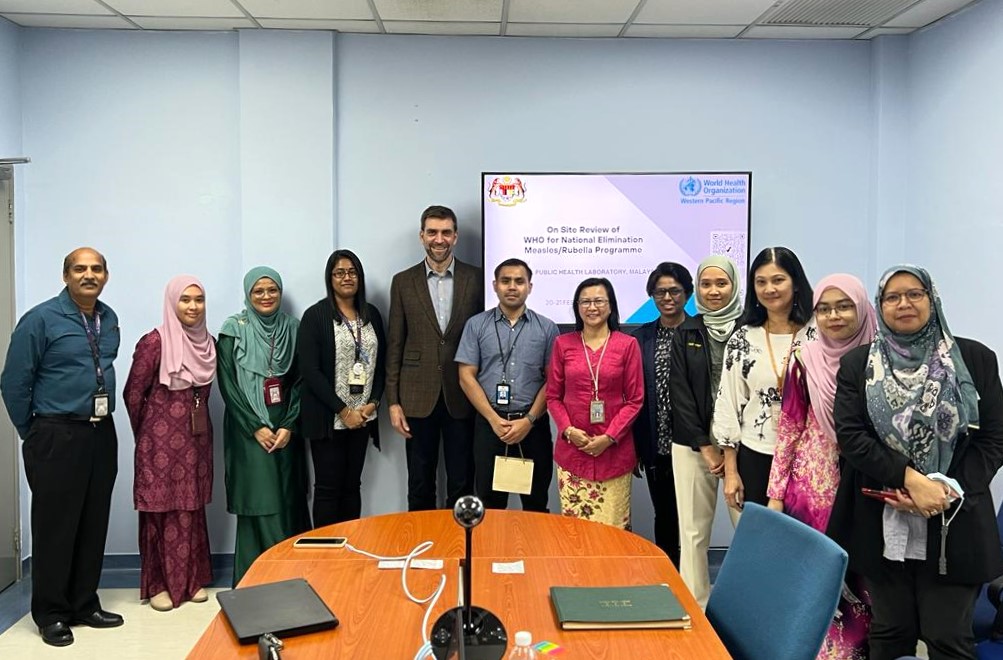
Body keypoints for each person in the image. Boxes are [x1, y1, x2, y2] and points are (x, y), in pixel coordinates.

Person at [829, 266, 1003, 660]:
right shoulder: (858, 364)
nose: (903, 303)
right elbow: (852, 437)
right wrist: (910, 480)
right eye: (892, 297)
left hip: (954, 520)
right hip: (881, 514)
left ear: (932, 298)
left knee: (948, 636)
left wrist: (944, 490)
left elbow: (994, 438)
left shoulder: (974, 359)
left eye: (914, 294)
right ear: (879, 306)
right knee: (889, 633)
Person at [0, 247, 124, 646]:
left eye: (96, 268)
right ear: (66, 275)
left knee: (93, 520)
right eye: (80, 268)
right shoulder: (40, 319)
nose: (89, 275)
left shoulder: (109, 318)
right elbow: (14, 382)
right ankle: (51, 613)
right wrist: (33, 431)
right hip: (56, 433)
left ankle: (84, 603)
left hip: (100, 432)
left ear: (105, 275)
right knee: (56, 526)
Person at [767, 274, 876, 657]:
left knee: (862, 578)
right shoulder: (805, 358)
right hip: (813, 488)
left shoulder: (882, 359)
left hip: (867, 483)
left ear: (862, 308)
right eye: (824, 309)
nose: (834, 316)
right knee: (814, 575)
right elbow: (789, 426)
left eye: (844, 306)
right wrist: (776, 494)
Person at [124, 275, 216, 611]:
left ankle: (191, 580)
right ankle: (159, 584)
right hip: (158, 444)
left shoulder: (208, 343)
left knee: (191, 507)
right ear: (172, 302)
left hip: (196, 440)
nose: (193, 306)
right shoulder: (154, 342)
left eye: (199, 300)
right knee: (160, 510)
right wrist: (147, 435)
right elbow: (133, 394)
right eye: (185, 300)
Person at [386, 205, 483, 511]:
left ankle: (459, 538)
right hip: (416, 396)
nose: (439, 239)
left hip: (463, 395)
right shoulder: (403, 281)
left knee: (462, 481)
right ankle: (423, 538)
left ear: (455, 237)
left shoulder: (476, 278)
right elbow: (395, 344)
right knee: (419, 483)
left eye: (445, 233)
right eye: (432, 232)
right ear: (422, 236)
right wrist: (393, 402)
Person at [218, 267, 311, 586]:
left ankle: (292, 577)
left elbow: (300, 380)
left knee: (288, 498)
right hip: (247, 429)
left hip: (285, 427)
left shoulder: (293, 328)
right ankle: (254, 580)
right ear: (248, 294)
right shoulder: (233, 329)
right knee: (259, 499)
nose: (266, 296)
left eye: (272, 290)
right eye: (258, 291)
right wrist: (254, 426)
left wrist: (289, 424)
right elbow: (227, 384)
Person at [715, 246, 814, 513]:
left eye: (778, 280)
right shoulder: (743, 338)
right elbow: (728, 404)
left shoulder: (817, 333)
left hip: (809, 456)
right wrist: (731, 472)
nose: (769, 289)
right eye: (761, 282)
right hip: (756, 455)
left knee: (806, 535)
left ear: (796, 283)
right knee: (761, 535)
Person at [669, 255, 743, 608]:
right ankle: (695, 605)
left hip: (744, 448)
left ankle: (749, 609)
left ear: (734, 286)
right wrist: (705, 445)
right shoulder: (687, 331)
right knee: (693, 532)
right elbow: (680, 393)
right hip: (693, 446)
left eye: (721, 283)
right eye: (706, 284)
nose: (714, 291)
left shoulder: (750, 328)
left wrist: (728, 448)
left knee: (749, 531)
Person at [456, 258, 559, 511]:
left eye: (519, 281)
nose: (512, 286)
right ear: (495, 285)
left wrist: (529, 420)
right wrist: (493, 419)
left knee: (536, 505)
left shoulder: (547, 328)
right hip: (490, 426)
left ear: (530, 287)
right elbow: (466, 376)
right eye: (505, 281)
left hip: (532, 427)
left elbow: (553, 381)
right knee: (490, 506)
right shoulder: (476, 325)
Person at [546, 277, 643, 529]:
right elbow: (553, 397)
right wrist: (568, 431)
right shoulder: (563, 344)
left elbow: (635, 400)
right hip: (573, 452)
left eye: (599, 301)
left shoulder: (627, 345)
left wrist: (609, 437)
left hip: (614, 453)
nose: (592, 307)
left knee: (613, 530)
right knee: (576, 531)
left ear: (611, 306)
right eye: (585, 302)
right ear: (577, 307)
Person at [299, 250, 386, 526]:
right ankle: (327, 549)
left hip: (362, 417)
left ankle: (350, 544)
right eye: (339, 273)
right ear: (330, 278)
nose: (347, 278)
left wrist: (373, 403)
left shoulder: (371, 314)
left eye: (352, 272)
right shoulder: (315, 316)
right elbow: (310, 371)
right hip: (330, 418)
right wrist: (343, 411)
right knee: (328, 488)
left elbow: (382, 364)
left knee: (352, 486)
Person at [631, 262, 693, 565]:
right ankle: (668, 572)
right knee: (665, 514)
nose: (667, 297)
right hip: (657, 444)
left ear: (687, 293)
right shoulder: (640, 338)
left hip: (694, 444)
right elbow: (633, 397)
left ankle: (692, 578)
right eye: (660, 292)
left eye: (674, 291)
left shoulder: (701, 332)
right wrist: (636, 447)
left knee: (693, 518)